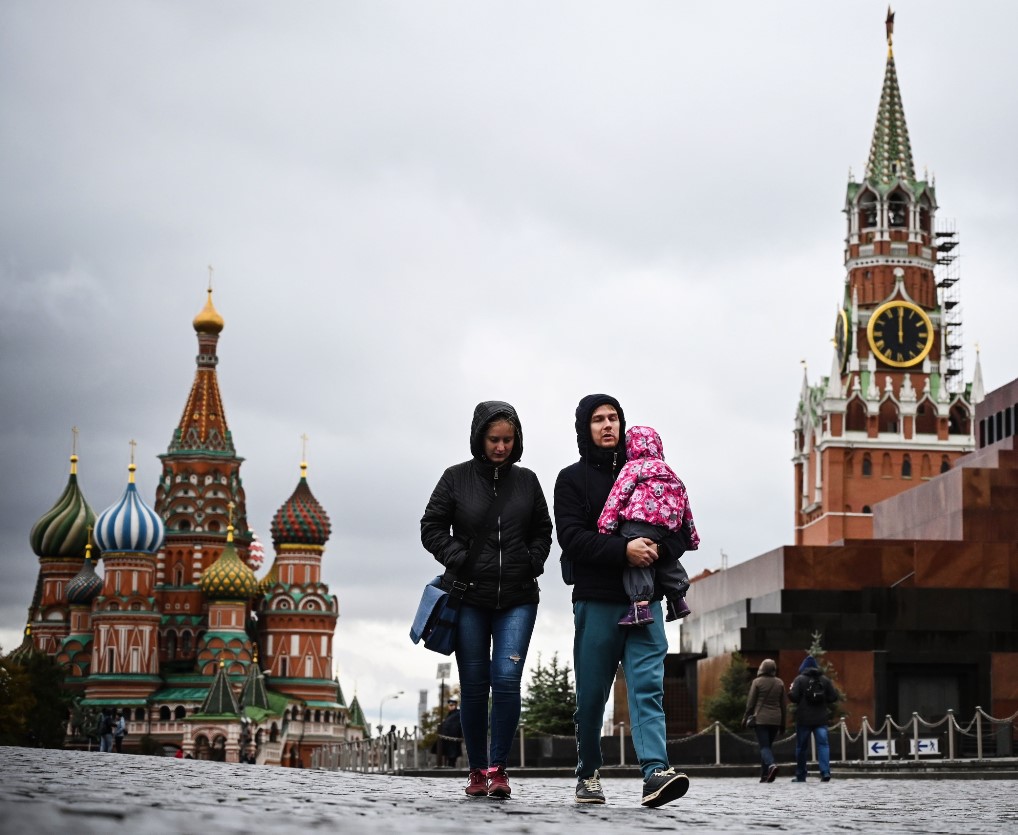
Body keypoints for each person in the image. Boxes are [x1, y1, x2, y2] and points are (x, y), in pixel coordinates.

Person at [554, 394, 689, 808]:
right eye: (598, 419)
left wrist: (657, 550)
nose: (608, 425)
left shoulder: (654, 472)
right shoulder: (571, 480)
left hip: (646, 601)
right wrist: (624, 551)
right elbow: (573, 539)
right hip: (598, 601)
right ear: (585, 428)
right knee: (593, 694)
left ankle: (655, 773)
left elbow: (680, 531)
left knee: (648, 687)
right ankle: (589, 772)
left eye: (614, 418)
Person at [421, 400, 553, 800]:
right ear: (480, 438)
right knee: (475, 686)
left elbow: (542, 530)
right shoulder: (455, 479)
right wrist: (460, 559)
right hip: (470, 597)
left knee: (507, 681)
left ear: (517, 440)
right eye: (494, 439)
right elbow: (431, 527)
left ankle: (499, 770)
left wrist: (532, 561)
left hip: (518, 597)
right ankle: (477, 771)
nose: (501, 447)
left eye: (508, 440)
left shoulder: (527, 481)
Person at [596, 425, 697, 626]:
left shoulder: (633, 467)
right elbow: (685, 505)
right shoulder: (670, 471)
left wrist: (606, 527)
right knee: (663, 559)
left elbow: (617, 496)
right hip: (667, 527)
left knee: (638, 559)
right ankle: (678, 600)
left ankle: (639, 606)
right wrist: (692, 536)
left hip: (639, 521)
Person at [788, 654, 839, 782]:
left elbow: (794, 698)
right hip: (821, 718)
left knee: (801, 747)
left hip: (804, 719)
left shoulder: (799, 679)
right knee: (823, 745)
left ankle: (801, 775)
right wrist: (823, 699)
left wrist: (791, 691)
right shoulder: (825, 680)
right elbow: (833, 697)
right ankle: (825, 772)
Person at [745, 658, 786, 782]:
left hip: (761, 720)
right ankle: (764, 775)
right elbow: (783, 705)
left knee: (764, 747)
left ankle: (772, 765)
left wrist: (745, 717)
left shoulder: (757, 682)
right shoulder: (780, 683)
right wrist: (783, 724)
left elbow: (750, 703)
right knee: (767, 747)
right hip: (776, 720)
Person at [438, 697, 463, 768]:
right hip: (447, 737)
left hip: (454, 737)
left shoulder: (458, 713)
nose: (450, 706)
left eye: (452, 705)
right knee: (448, 752)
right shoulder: (449, 714)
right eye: (449, 705)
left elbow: (457, 725)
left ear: (455, 705)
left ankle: (452, 765)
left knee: (453, 753)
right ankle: (449, 765)